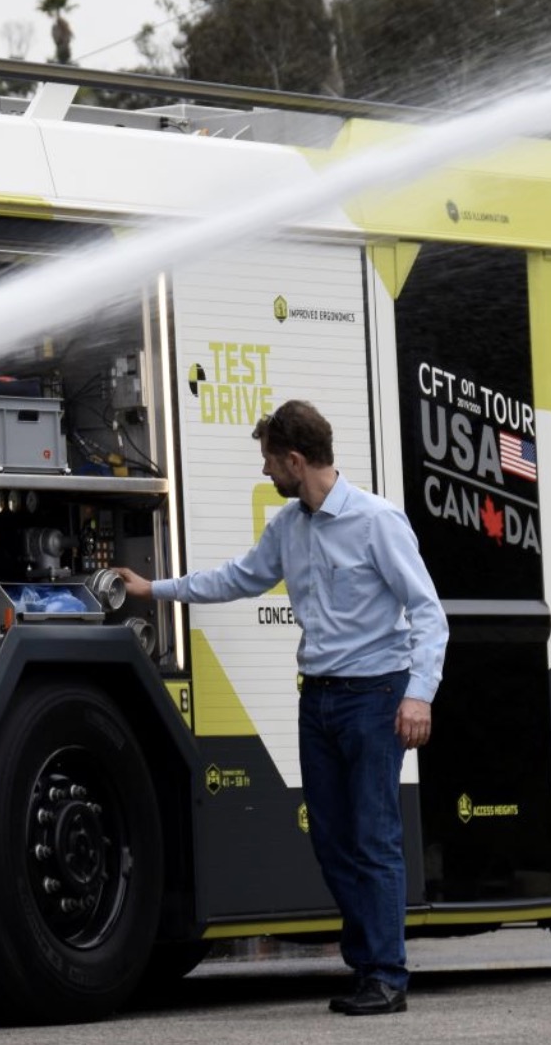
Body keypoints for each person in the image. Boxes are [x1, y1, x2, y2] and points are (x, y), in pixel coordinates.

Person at [112, 400, 446, 1017]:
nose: (266, 472)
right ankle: (368, 962)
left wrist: (419, 693)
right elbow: (239, 578)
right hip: (318, 700)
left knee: (373, 836)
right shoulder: (288, 526)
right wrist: (153, 589)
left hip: (376, 698)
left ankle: (384, 974)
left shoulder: (377, 522)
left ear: (295, 459)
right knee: (329, 839)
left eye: (269, 461)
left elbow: (428, 613)